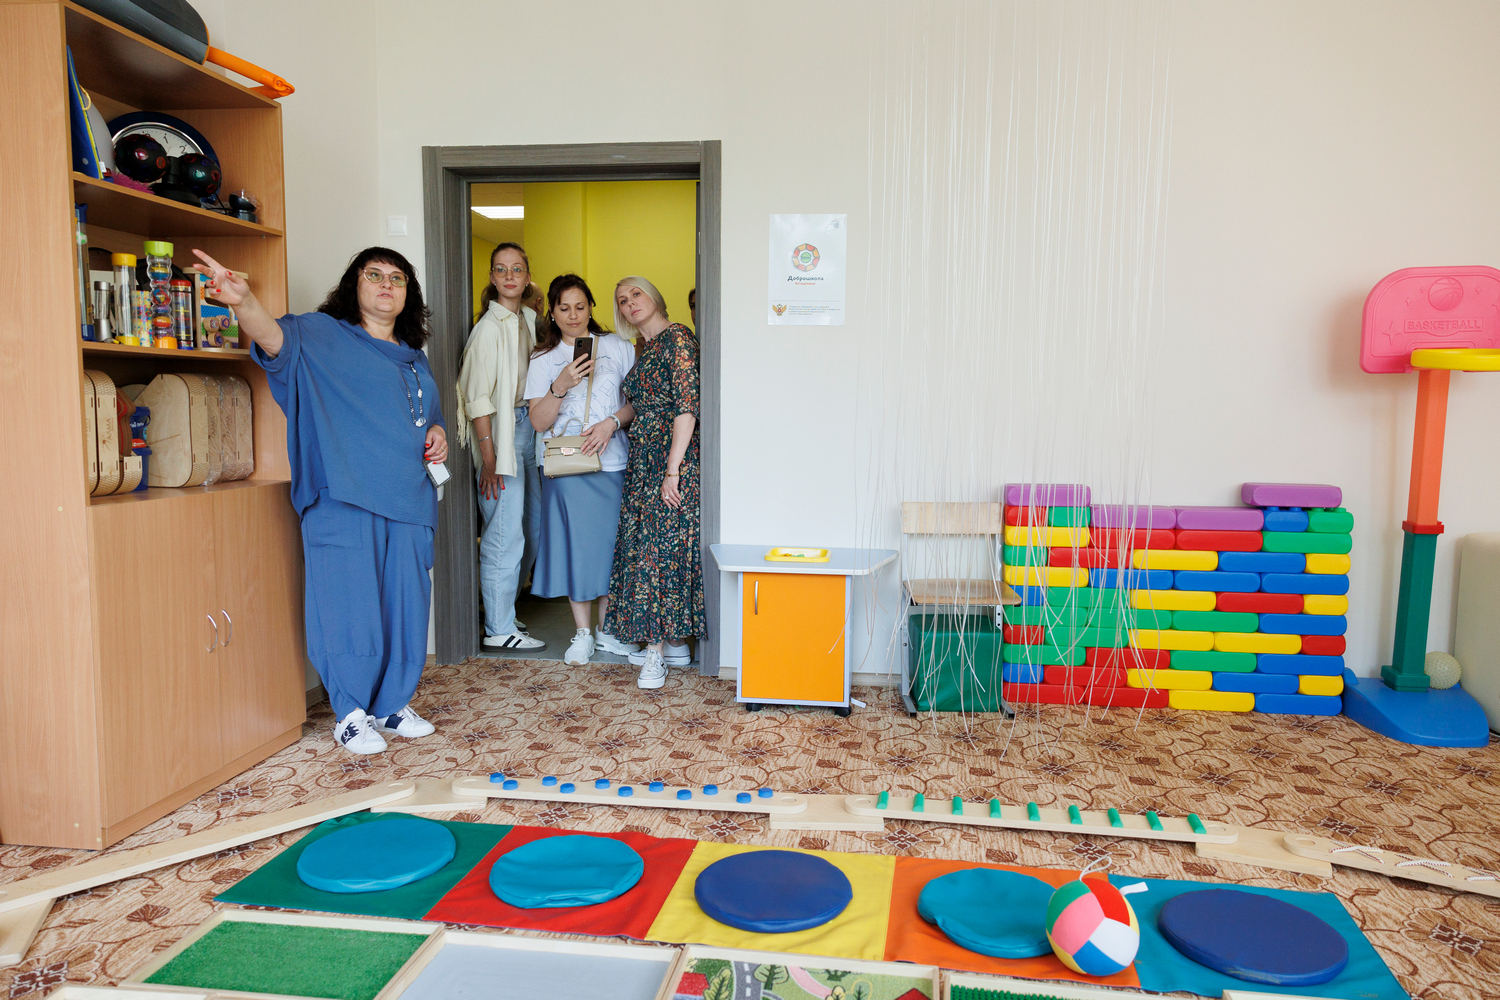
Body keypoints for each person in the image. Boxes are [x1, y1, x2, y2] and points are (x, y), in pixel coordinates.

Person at [191, 246, 445, 755]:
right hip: (343, 496)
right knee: (348, 605)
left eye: (397, 278)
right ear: (355, 284)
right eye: (374, 275)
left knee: (405, 605)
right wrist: (242, 302)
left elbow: (424, 415)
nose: (386, 284)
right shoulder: (321, 335)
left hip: (408, 500)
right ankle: (350, 713)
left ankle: (391, 704)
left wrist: (436, 431)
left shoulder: (414, 357)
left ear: (408, 294)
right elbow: (272, 338)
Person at [525, 274, 639, 665]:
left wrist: (611, 423)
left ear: (591, 307)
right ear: (552, 314)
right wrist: (560, 385)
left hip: (611, 461)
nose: (573, 315)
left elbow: (636, 402)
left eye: (580, 306)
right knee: (576, 548)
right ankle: (582, 633)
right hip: (566, 466)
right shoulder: (543, 359)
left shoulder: (618, 347)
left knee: (609, 549)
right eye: (564, 308)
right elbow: (538, 422)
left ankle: (607, 631)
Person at [606, 276, 707, 689]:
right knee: (650, 547)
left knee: (658, 552)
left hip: (669, 459)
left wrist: (673, 470)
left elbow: (687, 407)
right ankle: (674, 644)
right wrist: (611, 422)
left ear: (654, 298)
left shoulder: (677, 337)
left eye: (636, 294)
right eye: (622, 300)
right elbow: (641, 404)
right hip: (644, 462)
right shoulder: (645, 348)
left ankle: (655, 654)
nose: (630, 303)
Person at [457, 242, 544, 651]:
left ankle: (504, 610)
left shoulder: (528, 318)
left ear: (527, 277)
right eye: (501, 269)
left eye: (517, 269)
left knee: (532, 529)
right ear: (492, 277)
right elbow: (476, 399)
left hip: (529, 429)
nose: (509, 276)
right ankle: (498, 628)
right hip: (499, 434)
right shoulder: (488, 329)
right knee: (504, 532)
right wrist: (489, 459)